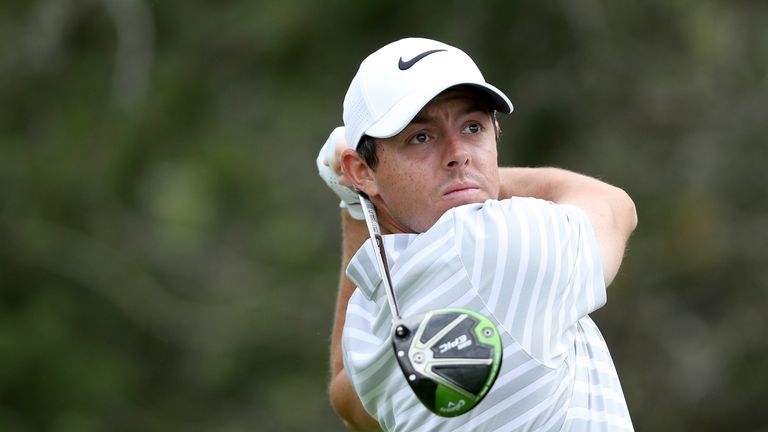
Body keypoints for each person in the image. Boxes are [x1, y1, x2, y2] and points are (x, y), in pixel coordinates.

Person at [317, 37, 638, 432]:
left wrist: (355, 201)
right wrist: (474, 180)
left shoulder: (377, 318)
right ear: (364, 170)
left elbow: (347, 396)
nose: (459, 152)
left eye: (473, 127)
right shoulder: (502, 241)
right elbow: (612, 205)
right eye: (421, 136)